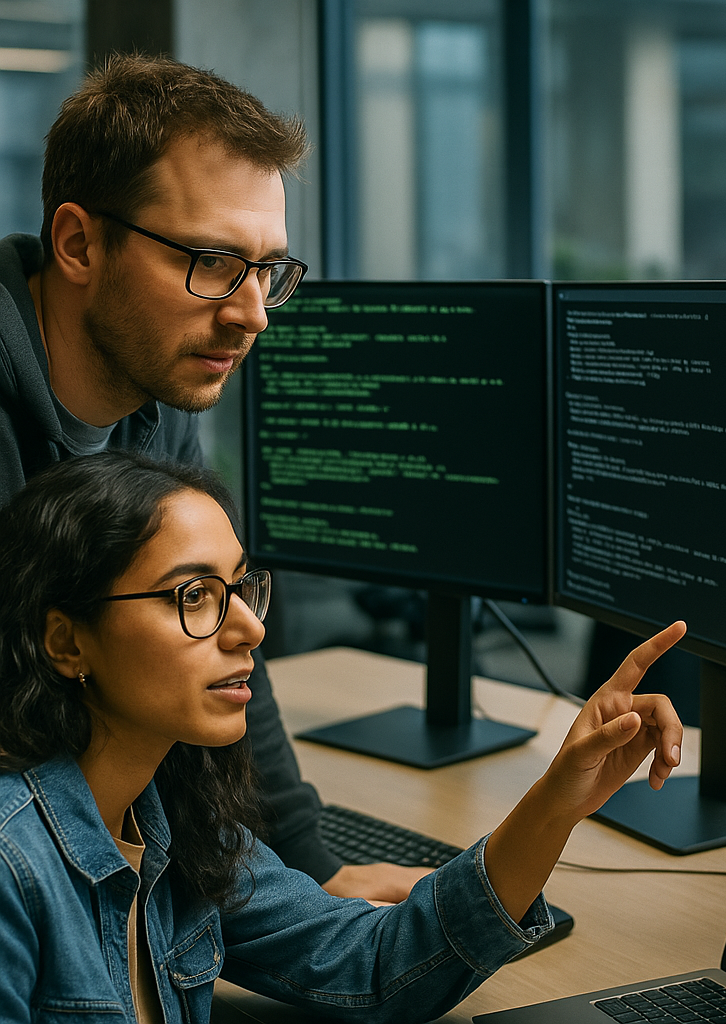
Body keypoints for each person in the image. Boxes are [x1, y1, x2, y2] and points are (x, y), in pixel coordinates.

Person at [0, 450, 686, 1022]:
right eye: (194, 596)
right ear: (66, 640)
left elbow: (378, 966)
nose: (250, 629)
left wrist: (554, 801)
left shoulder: (174, 823)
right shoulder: (11, 868)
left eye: (241, 588)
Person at [0, 52, 419, 901]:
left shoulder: (159, 397)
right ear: (79, 243)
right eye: (214, 263)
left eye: (267, 270)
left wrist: (311, 862)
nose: (253, 314)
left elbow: (213, 632)